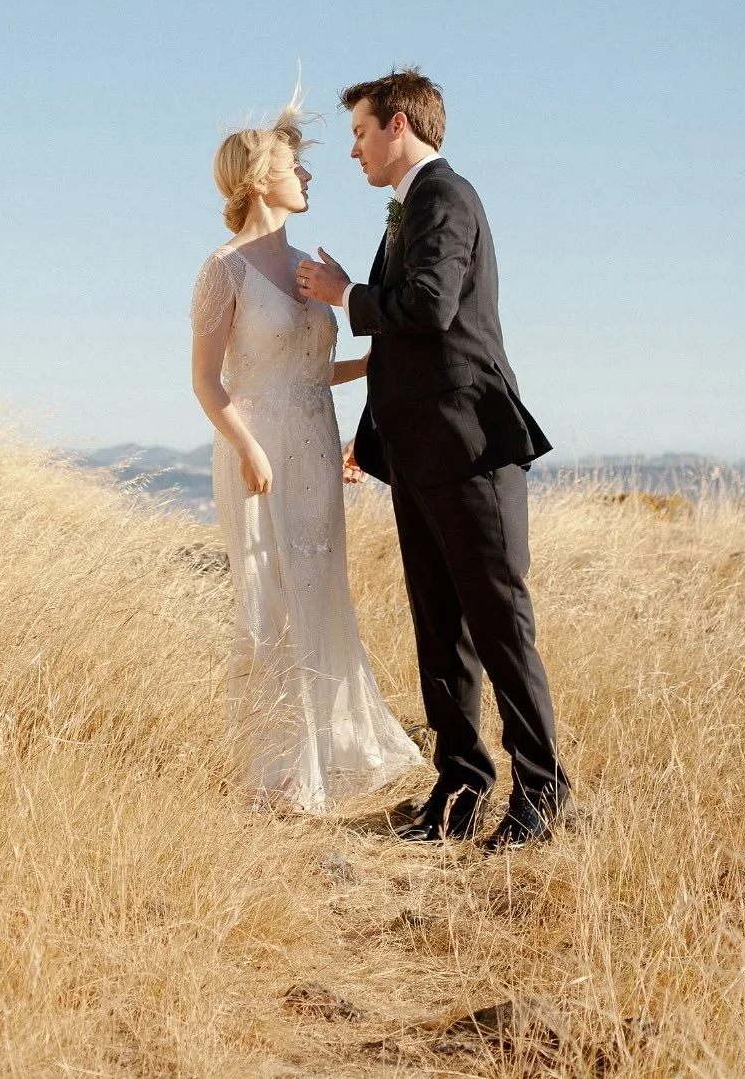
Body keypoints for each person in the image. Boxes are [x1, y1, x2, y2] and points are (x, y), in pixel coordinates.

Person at [297, 68, 571, 850]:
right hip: (422, 454)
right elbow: (412, 352)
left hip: (473, 451)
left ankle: (543, 798)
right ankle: (458, 792)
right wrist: (370, 435)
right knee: (439, 629)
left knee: (498, 626)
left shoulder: (445, 197)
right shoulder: (410, 207)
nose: (352, 149)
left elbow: (429, 307)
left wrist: (346, 293)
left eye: (358, 132)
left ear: (397, 125)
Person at [189, 97, 422, 815]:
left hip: (317, 446)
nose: (309, 177)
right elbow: (206, 380)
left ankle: (326, 754)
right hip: (258, 454)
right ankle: (277, 770)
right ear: (261, 179)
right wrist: (248, 450)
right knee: (270, 599)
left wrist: (382, 358)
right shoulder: (223, 270)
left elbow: (315, 370)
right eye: (294, 167)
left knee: (321, 591)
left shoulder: (306, 267)